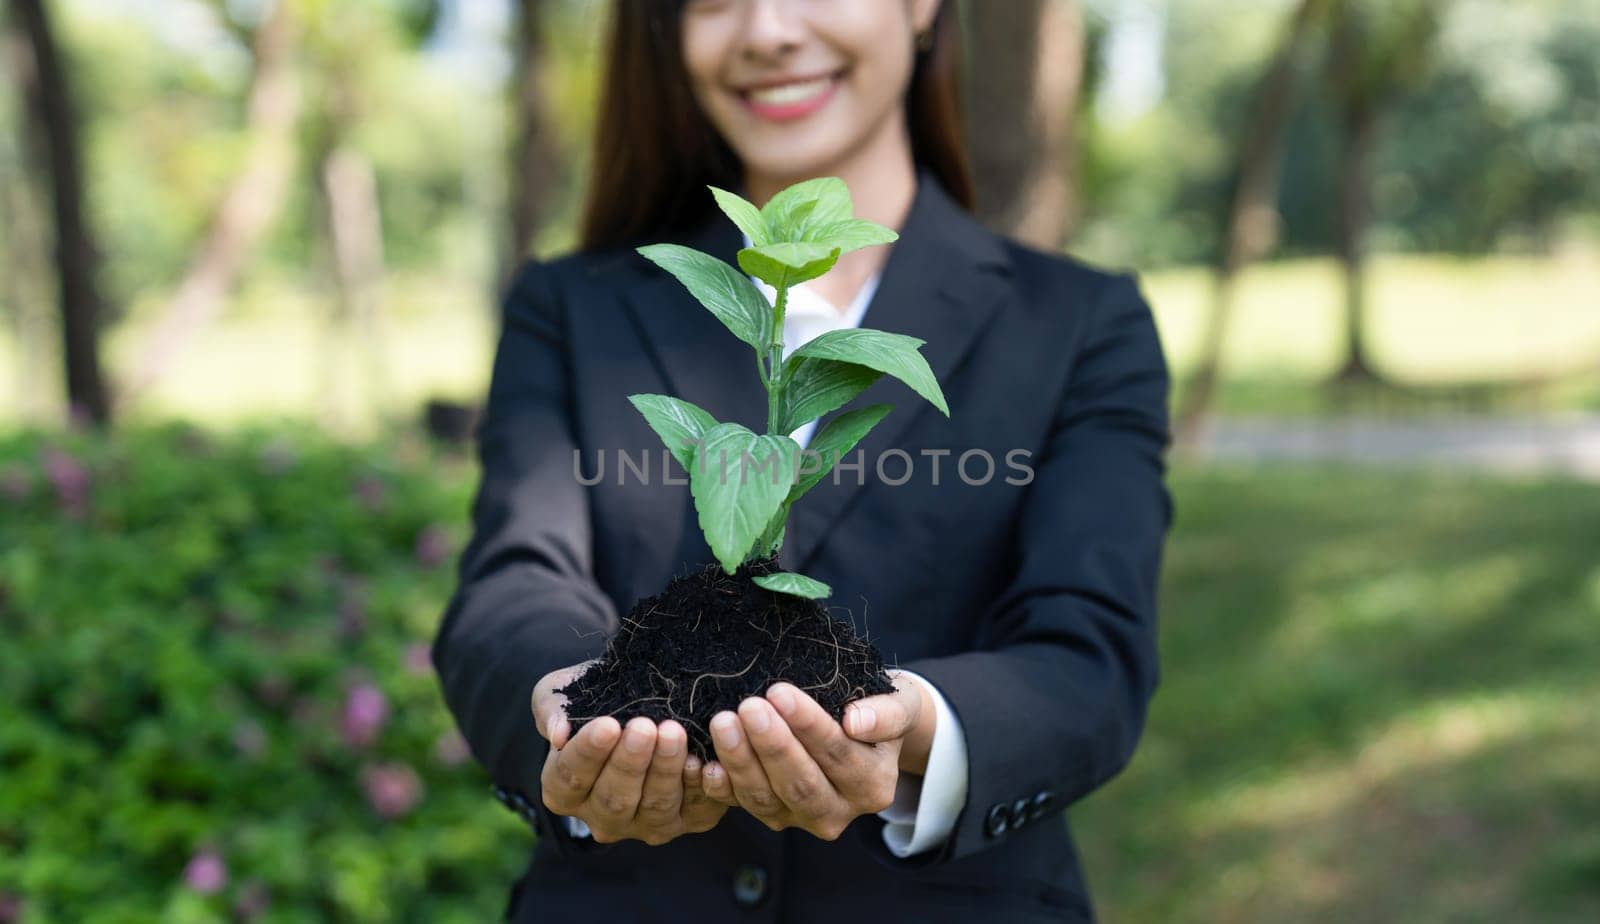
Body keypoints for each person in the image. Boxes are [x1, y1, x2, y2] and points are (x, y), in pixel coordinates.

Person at [431, 0, 1174, 920]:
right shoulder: (574, 306)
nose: (768, 30)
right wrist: (571, 712)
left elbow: (1090, 650)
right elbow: (515, 581)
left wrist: (912, 729)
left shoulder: (1075, 324)